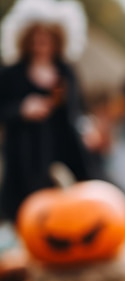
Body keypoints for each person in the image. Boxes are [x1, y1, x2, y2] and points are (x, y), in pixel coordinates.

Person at [0, 0, 103, 223]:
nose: (41, 42)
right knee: (29, 210)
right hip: (26, 152)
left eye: (46, 37)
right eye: (36, 37)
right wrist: (21, 109)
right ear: (25, 38)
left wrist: (87, 127)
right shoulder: (11, 74)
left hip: (63, 146)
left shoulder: (66, 72)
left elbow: (78, 109)